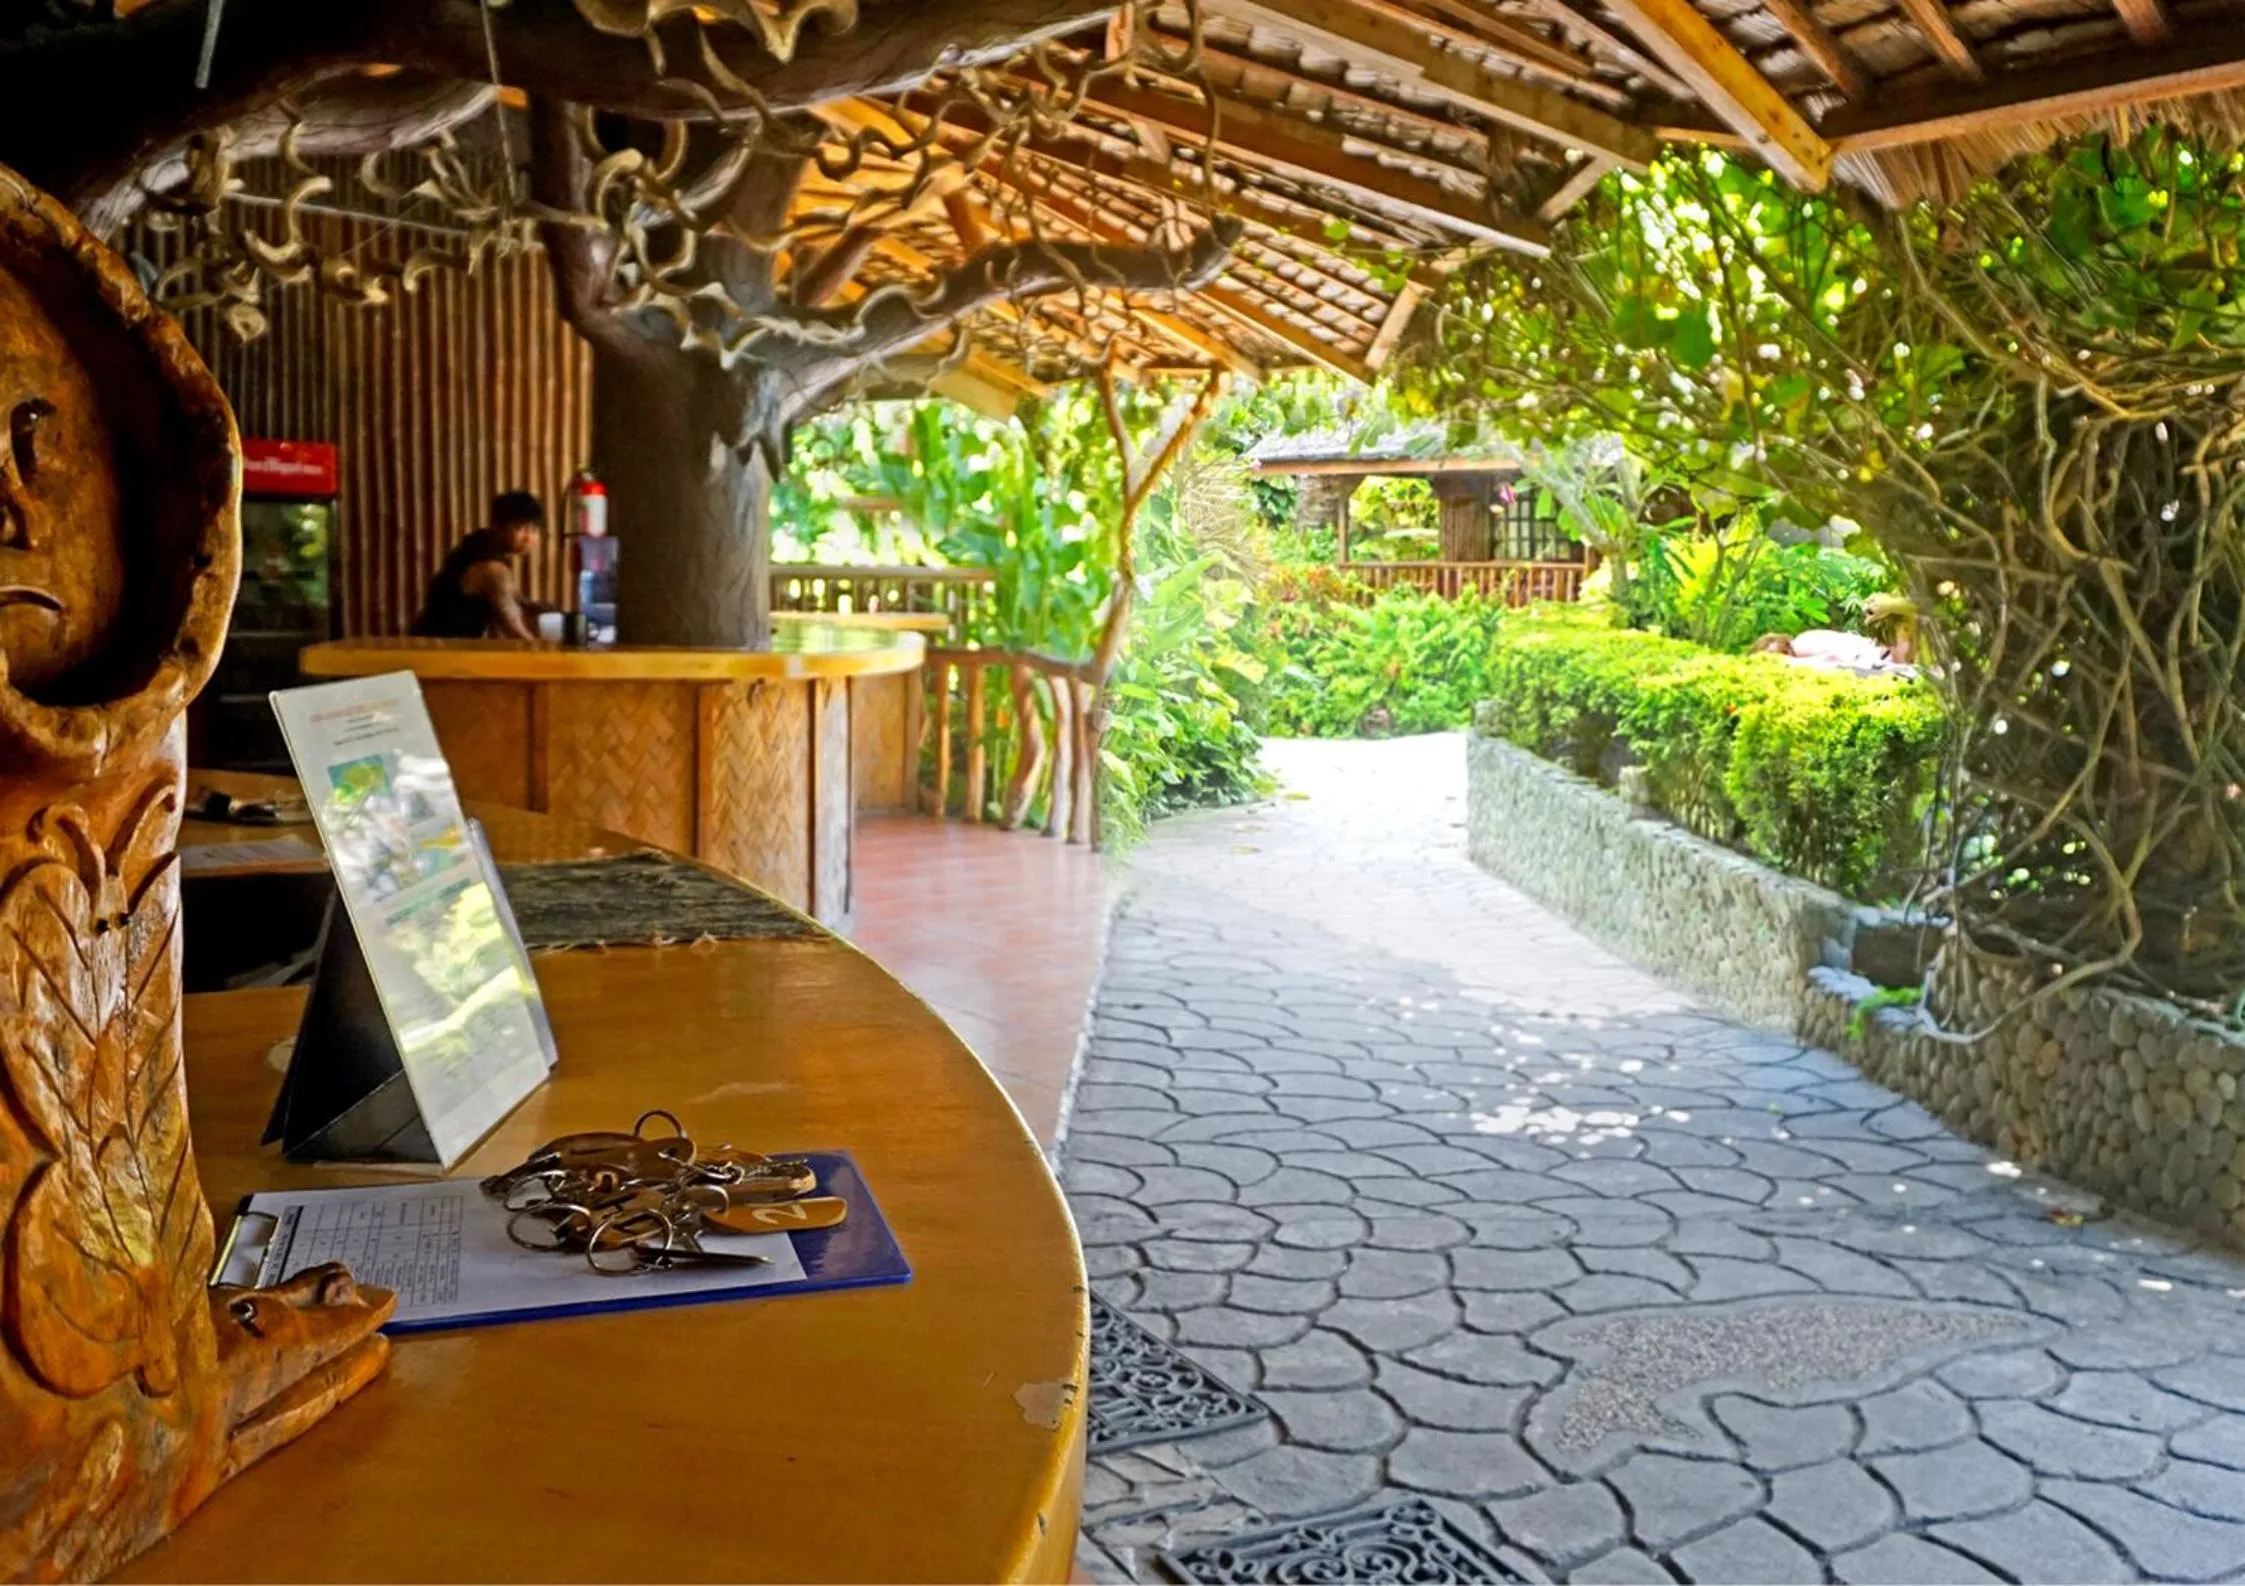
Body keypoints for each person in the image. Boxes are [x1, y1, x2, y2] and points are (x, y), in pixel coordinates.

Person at [411, 491, 548, 639]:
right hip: (437, 646)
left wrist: (534, 607)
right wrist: (543, 649)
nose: (528, 538)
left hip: (435, 641)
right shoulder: (492, 568)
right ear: (497, 526)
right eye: (519, 528)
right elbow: (513, 628)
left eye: (534, 530)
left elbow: (512, 598)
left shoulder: (480, 544)